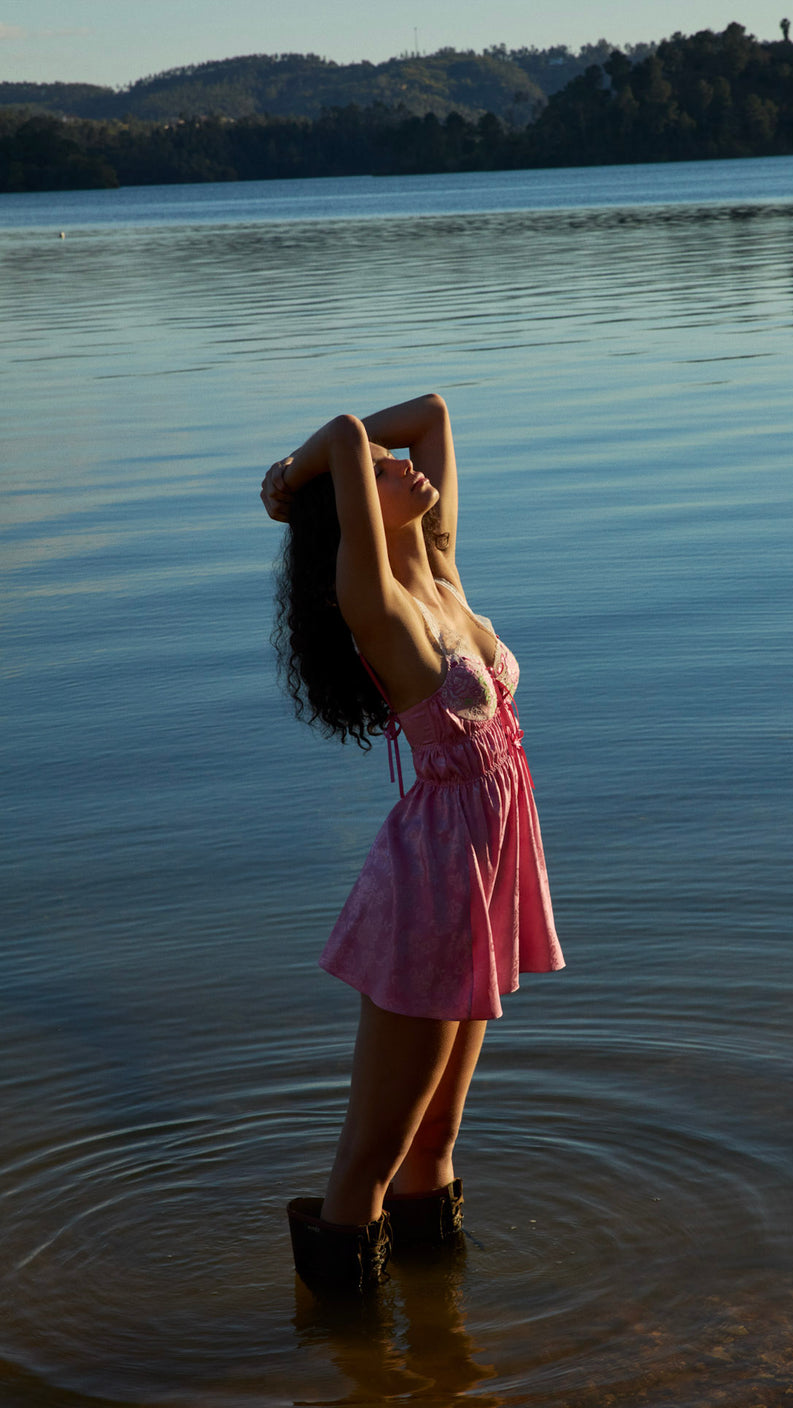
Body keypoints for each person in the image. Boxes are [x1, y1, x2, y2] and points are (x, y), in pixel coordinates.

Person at [260, 395, 564, 1296]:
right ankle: (344, 1348)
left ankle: (438, 1351)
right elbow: (353, 433)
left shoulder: (440, 574)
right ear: (353, 509)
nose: (409, 466)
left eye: (403, 467)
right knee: (372, 1156)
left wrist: (370, 474)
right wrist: (293, 476)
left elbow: (429, 412)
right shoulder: (378, 606)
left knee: (436, 1141)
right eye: (389, 475)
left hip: (488, 871)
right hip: (433, 888)